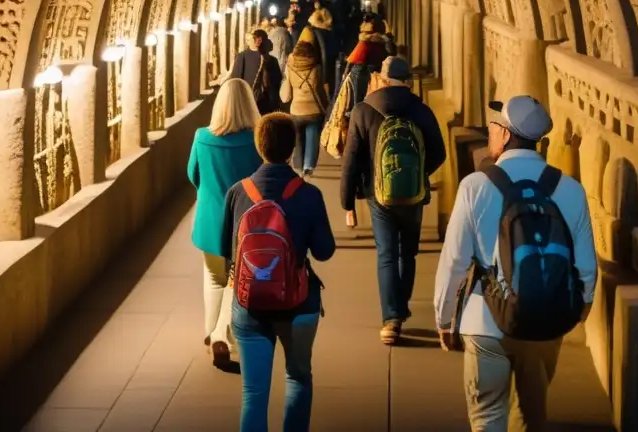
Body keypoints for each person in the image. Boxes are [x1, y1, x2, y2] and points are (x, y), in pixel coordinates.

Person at [433, 96, 597, 432]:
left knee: (487, 417)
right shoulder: (570, 189)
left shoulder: (474, 187)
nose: (490, 134)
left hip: (485, 321)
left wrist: (445, 318)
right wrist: (577, 311)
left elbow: (454, 260)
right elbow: (586, 267)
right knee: (531, 417)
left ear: (506, 136)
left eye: (493, 128)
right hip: (545, 321)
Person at [221, 113, 336, 432]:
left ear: (259, 146)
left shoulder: (237, 192)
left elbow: (226, 251)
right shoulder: (309, 194)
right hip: (298, 304)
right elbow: (325, 251)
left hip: (249, 305)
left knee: (253, 393)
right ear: (292, 148)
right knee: (298, 378)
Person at [341, 56, 446, 345]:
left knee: (386, 253)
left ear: (383, 78)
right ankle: (401, 305)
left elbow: (351, 158)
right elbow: (439, 152)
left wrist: (347, 199)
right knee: (407, 253)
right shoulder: (421, 110)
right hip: (413, 195)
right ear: (408, 80)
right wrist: (418, 174)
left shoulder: (364, 110)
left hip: (379, 195)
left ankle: (391, 318)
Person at [187, 79, 263, 368]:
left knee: (214, 278)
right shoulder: (256, 139)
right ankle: (223, 334)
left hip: (209, 221)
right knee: (237, 278)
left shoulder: (201, 137)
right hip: (246, 222)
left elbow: (193, 174)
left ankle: (211, 334)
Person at [281, 40, 329, 177]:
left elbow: (287, 92)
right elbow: (319, 90)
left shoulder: (289, 67)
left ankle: (298, 167)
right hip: (314, 110)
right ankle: (308, 167)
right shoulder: (316, 68)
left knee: (298, 139)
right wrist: (325, 106)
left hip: (296, 110)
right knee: (313, 138)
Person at [341, 16, 390, 112]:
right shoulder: (384, 43)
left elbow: (352, 60)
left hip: (364, 76)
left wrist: (345, 74)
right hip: (380, 76)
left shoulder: (364, 43)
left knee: (359, 103)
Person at [230, 29, 283, 114]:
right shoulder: (272, 60)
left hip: (248, 102)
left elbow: (235, 81)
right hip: (265, 104)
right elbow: (277, 83)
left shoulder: (242, 57)